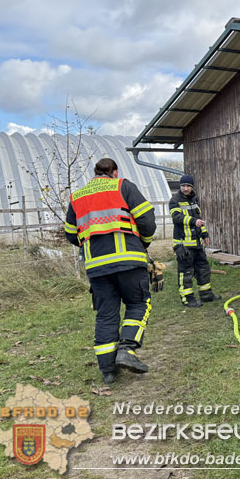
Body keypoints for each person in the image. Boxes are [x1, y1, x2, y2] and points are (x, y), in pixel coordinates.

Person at [64, 158, 156, 385]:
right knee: (137, 304)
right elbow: (146, 220)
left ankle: (107, 370)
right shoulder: (123, 185)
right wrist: (143, 242)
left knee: (106, 314)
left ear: (95, 173)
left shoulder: (77, 197)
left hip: (96, 266)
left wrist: (92, 243)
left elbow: (71, 234)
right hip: (128, 261)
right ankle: (126, 349)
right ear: (115, 172)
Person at [169, 174, 218, 307]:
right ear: (180, 186)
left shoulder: (194, 199)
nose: (185, 188)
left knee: (203, 269)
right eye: (183, 186)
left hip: (197, 244)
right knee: (186, 273)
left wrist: (205, 234)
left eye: (188, 186)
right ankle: (188, 299)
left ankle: (206, 295)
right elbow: (176, 218)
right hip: (183, 245)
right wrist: (193, 221)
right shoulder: (175, 200)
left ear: (192, 187)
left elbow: (199, 219)